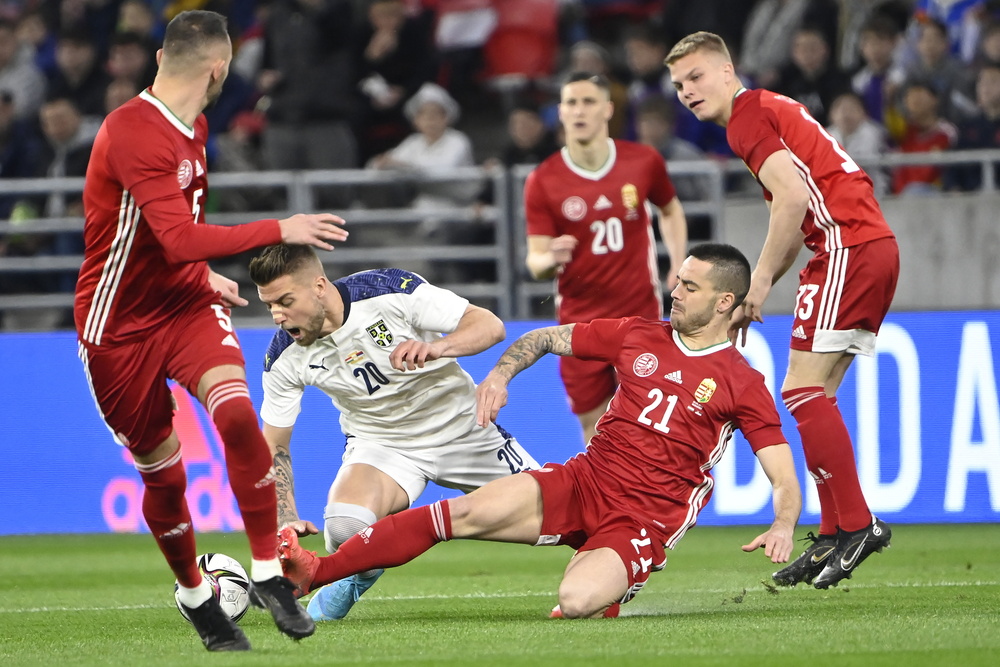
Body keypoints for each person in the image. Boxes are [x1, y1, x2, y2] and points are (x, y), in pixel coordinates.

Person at [277, 243, 801, 619]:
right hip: (583, 480)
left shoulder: (743, 383)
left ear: (725, 303)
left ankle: (614, 578)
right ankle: (315, 574)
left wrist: (782, 524)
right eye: (677, 280)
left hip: (643, 516)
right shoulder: (638, 334)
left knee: (575, 602)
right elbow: (548, 336)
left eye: (690, 286)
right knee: (455, 514)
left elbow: (781, 473)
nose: (675, 291)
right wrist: (501, 375)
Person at [74, 10, 349, 652]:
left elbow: (174, 238)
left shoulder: (193, 125)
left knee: (234, 415)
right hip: (117, 330)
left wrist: (204, 279)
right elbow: (176, 238)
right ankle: (198, 597)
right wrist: (279, 228)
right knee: (163, 477)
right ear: (219, 67)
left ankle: (267, 573)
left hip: (186, 306)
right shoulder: (134, 132)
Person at [666, 31, 898, 589]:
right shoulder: (770, 108)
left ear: (728, 71)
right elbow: (795, 211)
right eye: (677, 85)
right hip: (860, 246)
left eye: (696, 77)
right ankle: (839, 529)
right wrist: (764, 281)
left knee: (800, 391)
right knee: (816, 394)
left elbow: (793, 200)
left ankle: (858, 525)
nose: (687, 92)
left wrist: (761, 282)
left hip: (848, 245)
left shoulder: (747, 118)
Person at [247, 243, 540, 622]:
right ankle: (355, 578)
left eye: (285, 301)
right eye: (270, 306)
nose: (277, 317)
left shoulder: (387, 290)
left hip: (467, 431)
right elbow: (274, 445)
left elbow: (489, 325)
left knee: (562, 514)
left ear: (319, 286)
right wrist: (285, 517)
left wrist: (437, 347)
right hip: (382, 445)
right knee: (344, 528)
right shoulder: (284, 356)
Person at [524, 72, 687, 445]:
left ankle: (650, 501)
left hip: (639, 315)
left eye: (588, 101)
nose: (579, 110)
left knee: (648, 422)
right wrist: (550, 259)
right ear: (560, 113)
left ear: (608, 110)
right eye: (570, 102)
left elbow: (671, 209)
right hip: (579, 324)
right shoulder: (544, 180)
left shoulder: (642, 161)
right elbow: (534, 260)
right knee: (595, 428)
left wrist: (677, 263)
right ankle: (610, 503)